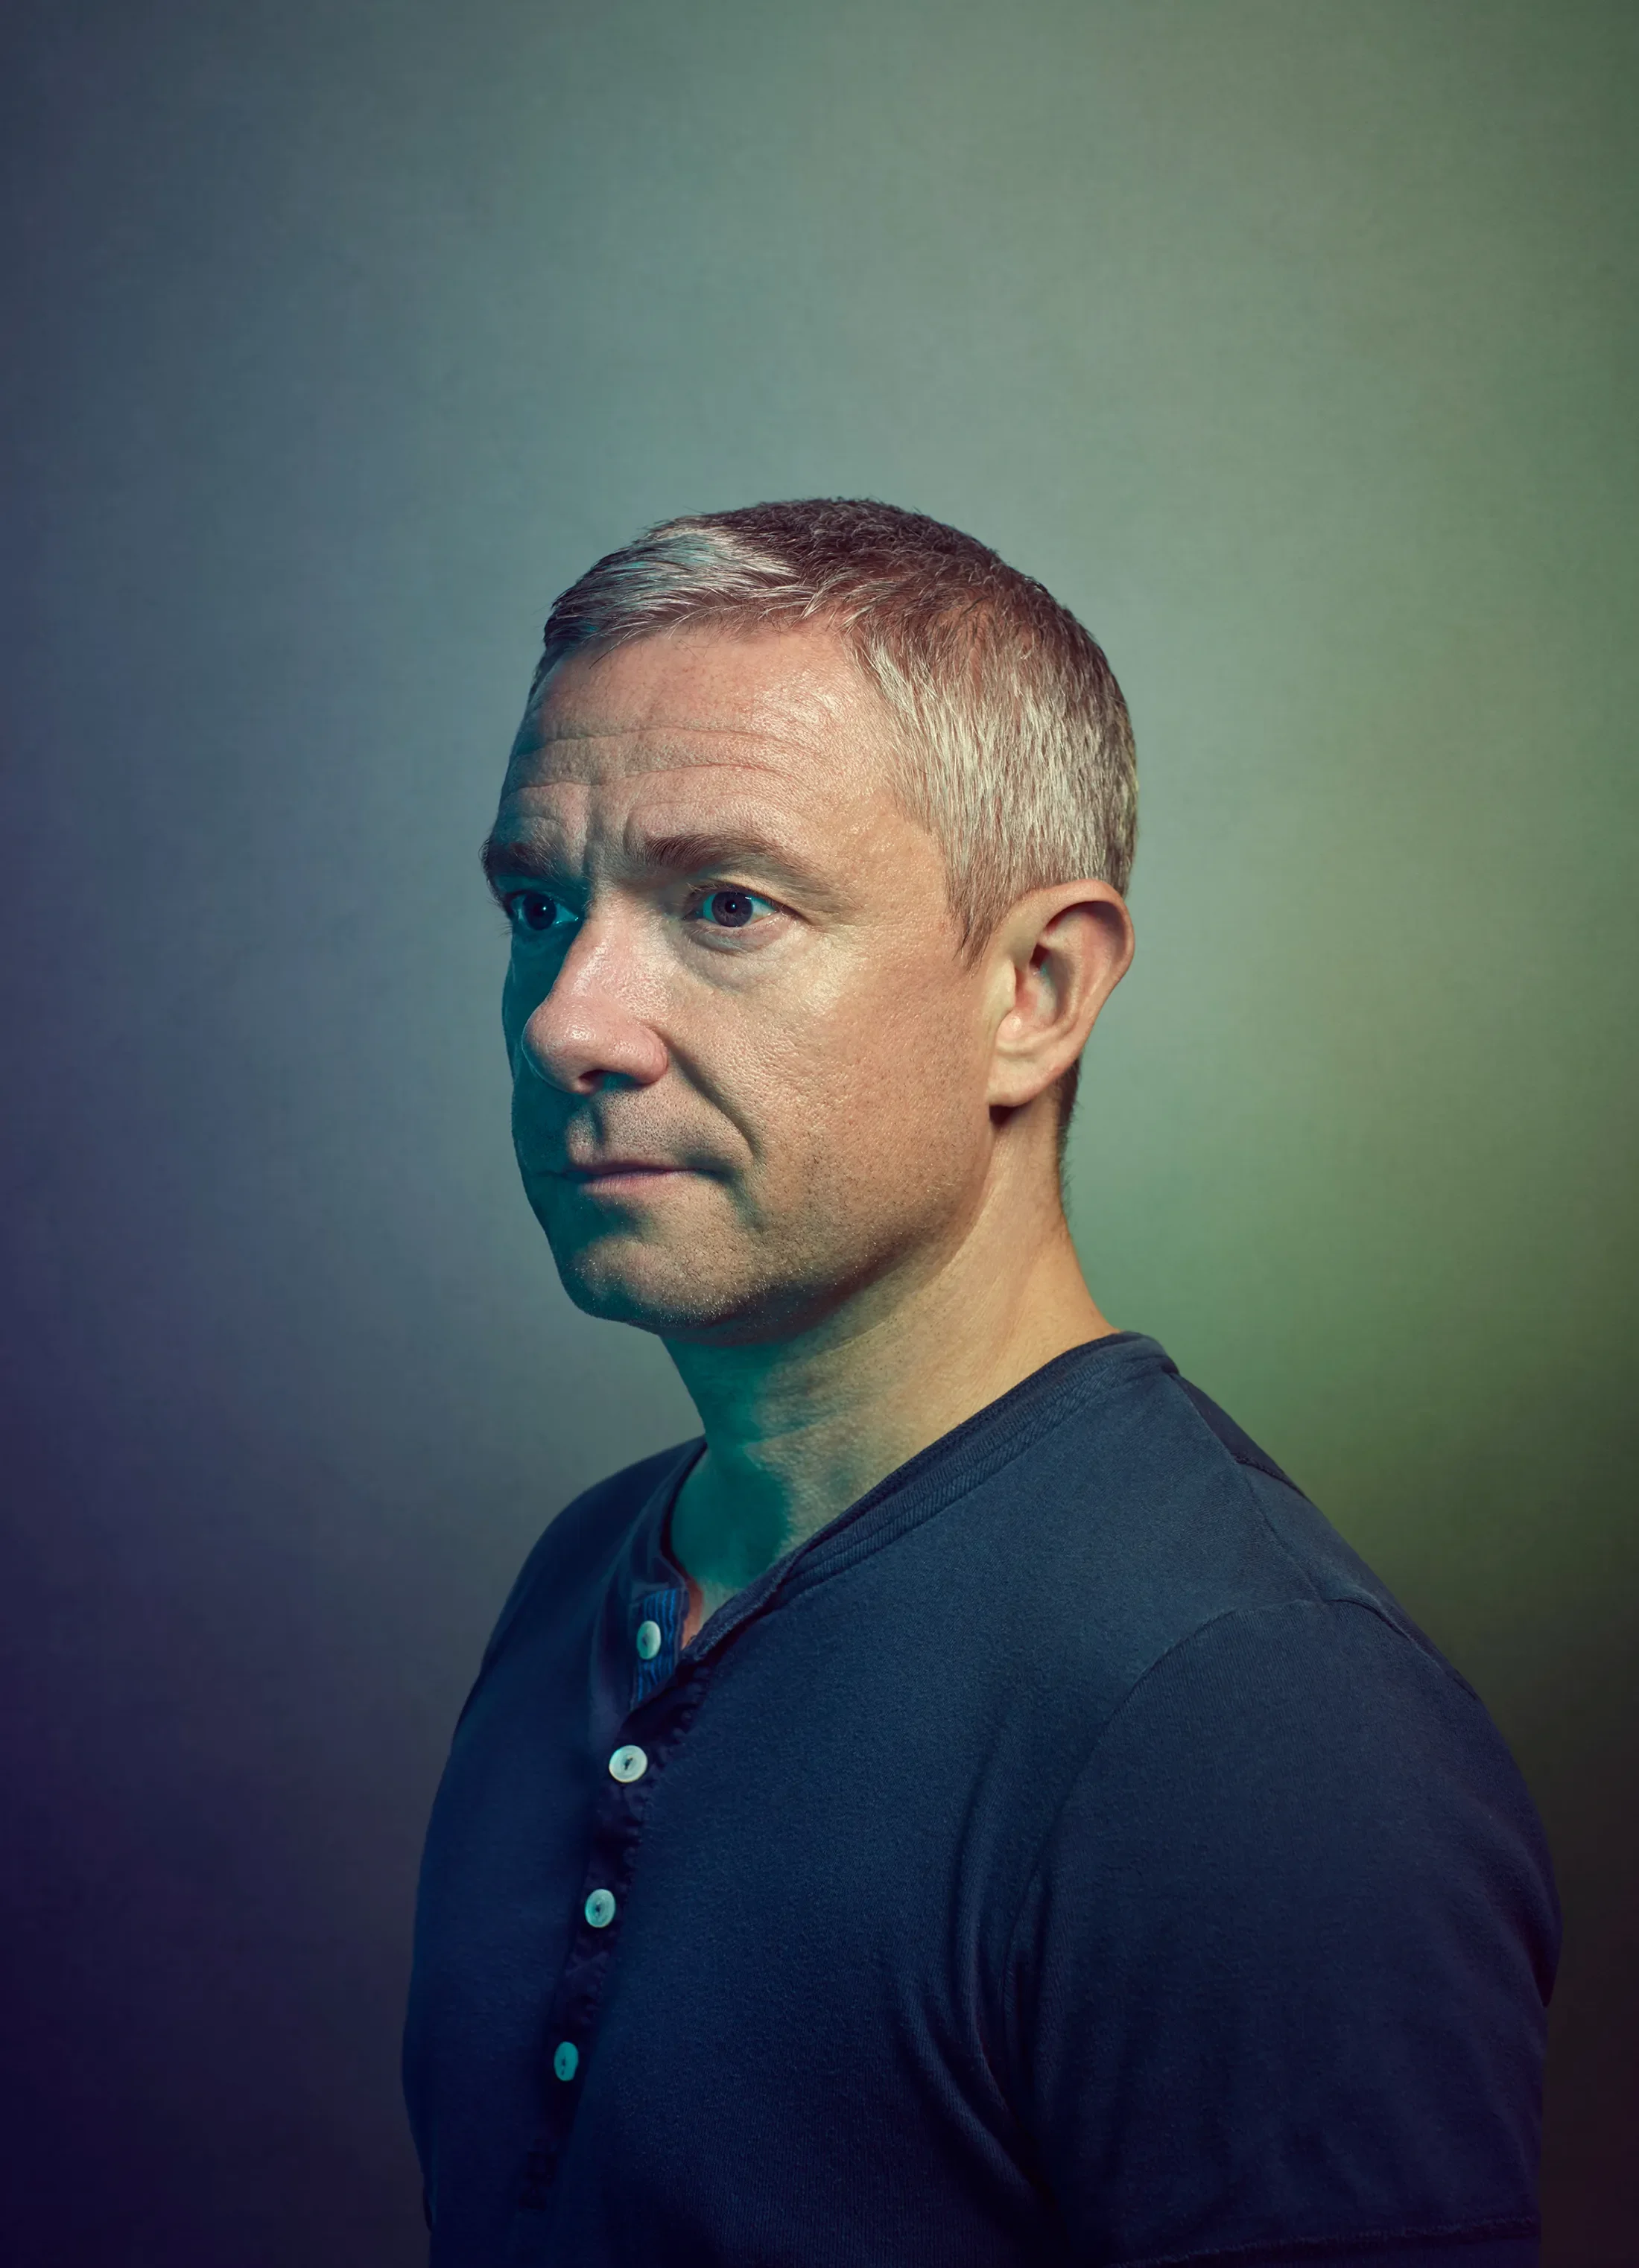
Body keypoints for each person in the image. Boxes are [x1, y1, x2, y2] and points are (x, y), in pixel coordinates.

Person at [403, 499, 1558, 2267]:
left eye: (723, 902)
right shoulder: (582, 1579)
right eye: (538, 902)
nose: (570, 1014)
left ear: (1034, 988)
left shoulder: (1246, 1724)